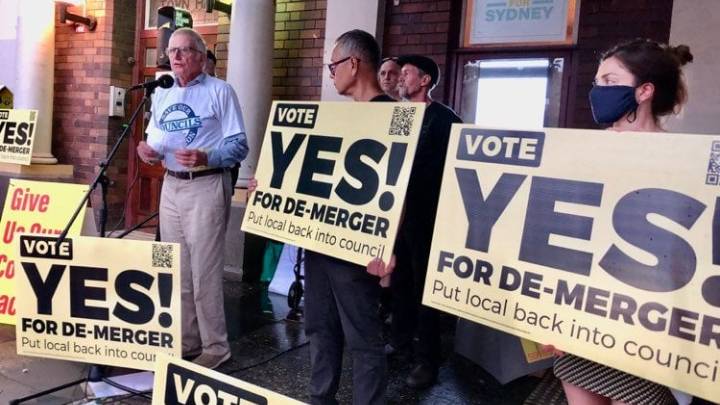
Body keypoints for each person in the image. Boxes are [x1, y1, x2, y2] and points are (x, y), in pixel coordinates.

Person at [552, 38, 693, 405]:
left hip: (645, 329)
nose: (598, 90)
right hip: (582, 322)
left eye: (610, 81)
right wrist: (545, 318)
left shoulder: (685, 161)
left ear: (644, 91)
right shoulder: (581, 153)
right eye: (597, 82)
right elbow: (559, 236)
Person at [137, 27, 249, 370]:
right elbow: (154, 139)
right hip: (170, 185)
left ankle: (216, 346)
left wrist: (207, 156)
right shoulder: (163, 92)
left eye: (185, 50)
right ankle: (186, 340)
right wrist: (148, 151)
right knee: (177, 268)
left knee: (204, 271)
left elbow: (240, 144)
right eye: (172, 51)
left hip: (206, 184)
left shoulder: (220, 91)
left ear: (201, 56)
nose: (177, 57)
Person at [383, 55, 462, 389]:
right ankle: (400, 343)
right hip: (396, 215)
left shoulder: (445, 119)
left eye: (406, 73)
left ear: (425, 80)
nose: (400, 79)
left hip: (428, 217)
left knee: (423, 290)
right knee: (399, 282)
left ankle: (427, 360)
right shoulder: (399, 115)